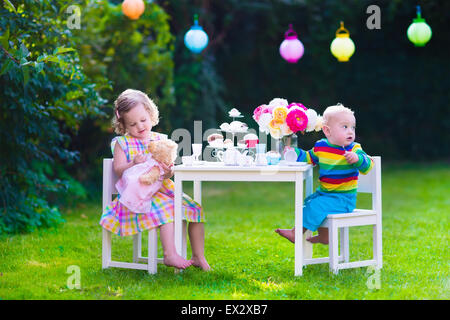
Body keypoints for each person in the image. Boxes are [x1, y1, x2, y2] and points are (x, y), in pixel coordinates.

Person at [100, 89, 210, 271]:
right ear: (124, 125)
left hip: (164, 190)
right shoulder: (122, 143)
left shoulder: (161, 140)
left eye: (143, 120)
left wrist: (168, 172)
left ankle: (198, 256)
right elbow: (118, 170)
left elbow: (168, 170)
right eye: (133, 124)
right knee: (168, 208)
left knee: (195, 209)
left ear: (151, 114)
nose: (140, 127)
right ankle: (170, 254)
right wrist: (132, 162)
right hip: (138, 196)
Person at [275, 103, 374, 244]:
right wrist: (294, 153)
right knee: (309, 202)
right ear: (327, 131)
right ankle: (324, 236)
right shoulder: (321, 146)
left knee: (317, 205)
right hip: (325, 194)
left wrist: (358, 159)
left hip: (343, 199)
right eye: (345, 127)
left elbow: (368, 165)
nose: (350, 132)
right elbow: (309, 158)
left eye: (353, 127)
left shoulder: (354, 149)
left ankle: (295, 233)